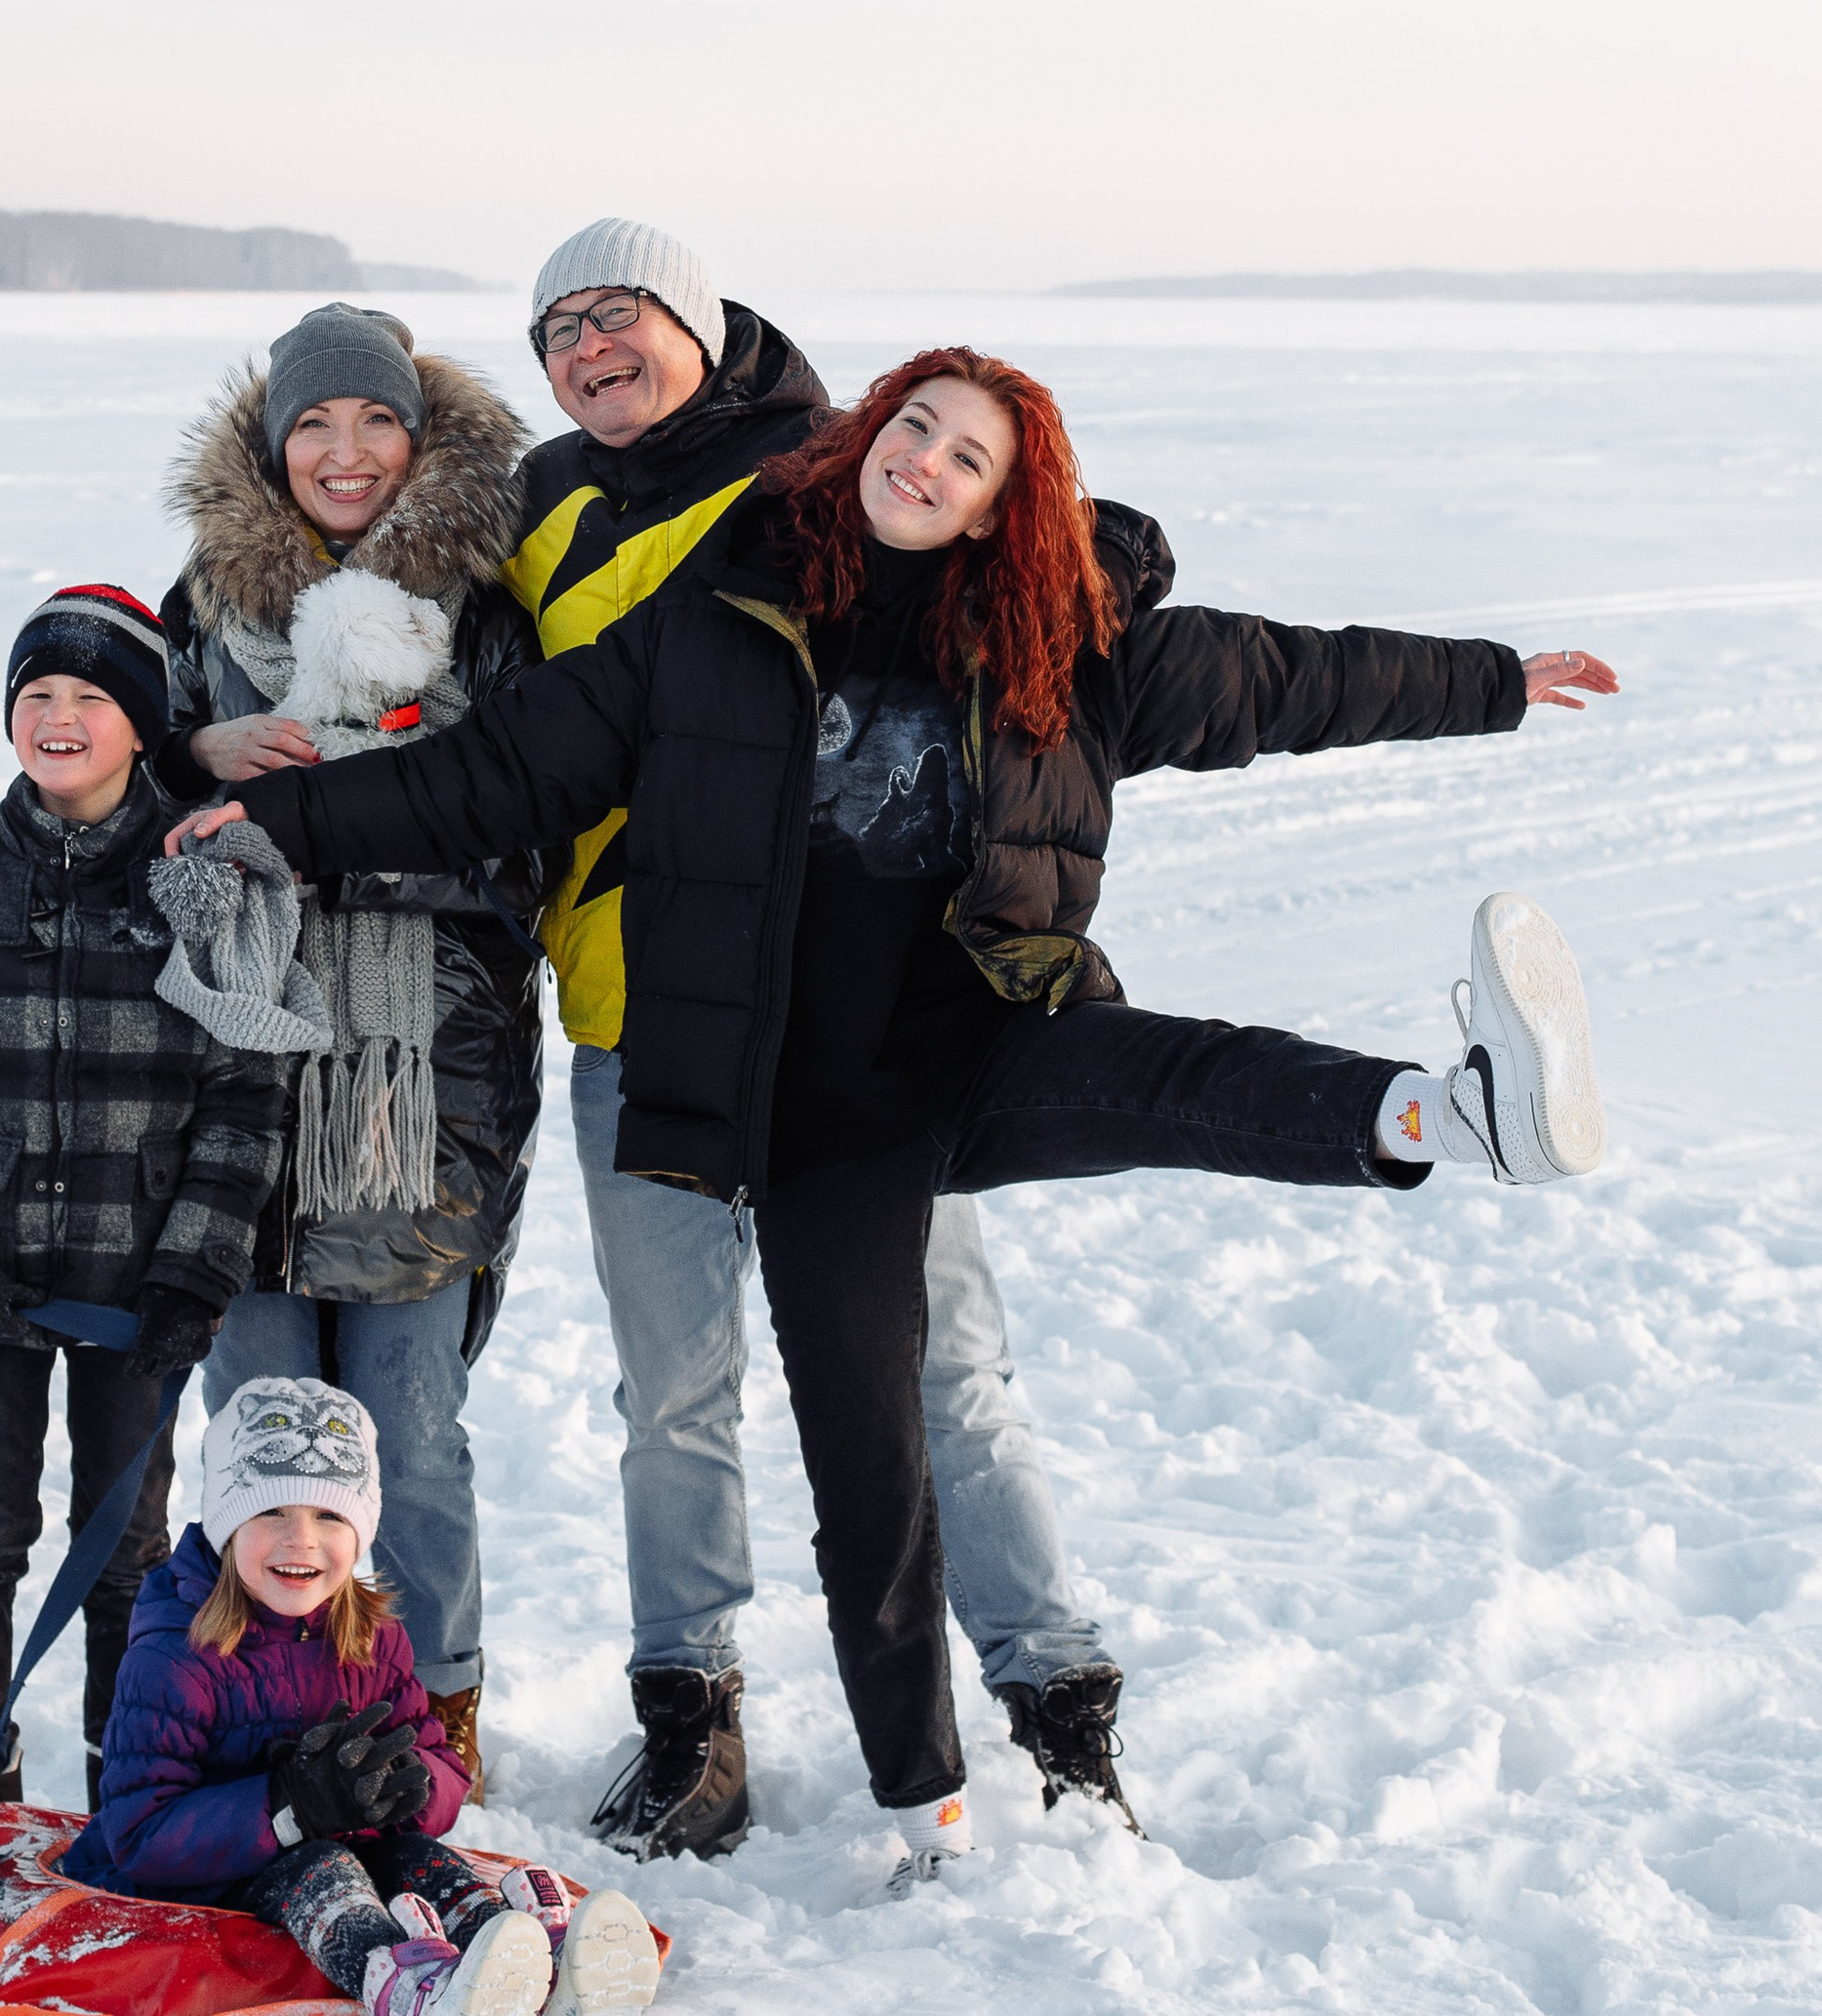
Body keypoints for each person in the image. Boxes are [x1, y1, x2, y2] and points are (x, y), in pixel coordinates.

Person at [169, 347, 1618, 1884]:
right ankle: (923, 1807)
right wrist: (276, 816)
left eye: (967, 456)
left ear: (1008, 502)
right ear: (868, 435)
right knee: (867, 1471)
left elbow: (1291, 678)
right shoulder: (719, 619)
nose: (925, 461)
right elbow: (498, 774)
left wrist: (1497, 682)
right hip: (803, 1116)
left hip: (976, 1046)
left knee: (1179, 1077)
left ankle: (1454, 1115)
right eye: (914, 427)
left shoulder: (1071, 640)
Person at [506, 221, 1118, 1855]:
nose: (588, 345)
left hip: (849, 1028)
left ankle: (1060, 1707)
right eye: (558, 326)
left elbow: (1039, 555)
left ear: (696, 325)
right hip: (640, 1018)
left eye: (617, 312)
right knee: (674, 1393)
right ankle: (691, 1720)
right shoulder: (541, 505)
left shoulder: (820, 469)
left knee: (945, 1373)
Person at [150, 304, 545, 1805]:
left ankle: (434, 1708)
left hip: (424, 1085)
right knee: (257, 1430)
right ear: (272, 444)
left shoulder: (486, 618)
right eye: (315, 424)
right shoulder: (204, 616)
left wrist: (361, 802)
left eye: (375, 422)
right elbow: (125, 805)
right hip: (242, 1077)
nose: (346, 451)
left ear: (419, 438)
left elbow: (528, 825)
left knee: (410, 1432)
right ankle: (264, 1706)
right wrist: (200, 760)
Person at [0, 584, 299, 1821]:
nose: (58, 717)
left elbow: (243, 1092)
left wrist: (195, 1270)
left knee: (127, 1553)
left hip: (136, 1283)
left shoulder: (199, 880)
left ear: (142, 723)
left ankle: (131, 1789)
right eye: (35, 695)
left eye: (90, 697)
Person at [72, 1377, 662, 2016]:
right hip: (227, 1876)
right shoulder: (178, 1654)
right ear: (223, 1521)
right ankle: (417, 2004)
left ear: (361, 1528)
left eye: (328, 1514)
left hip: (355, 1847)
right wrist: (286, 1808)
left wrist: (421, 1786)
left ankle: (545, 1988)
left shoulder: (373, 1637)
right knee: (324, 1867)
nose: (302, 1539)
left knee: (421, 1862)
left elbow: (439, 1758)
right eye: (271, 1511)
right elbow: (138, 1835)